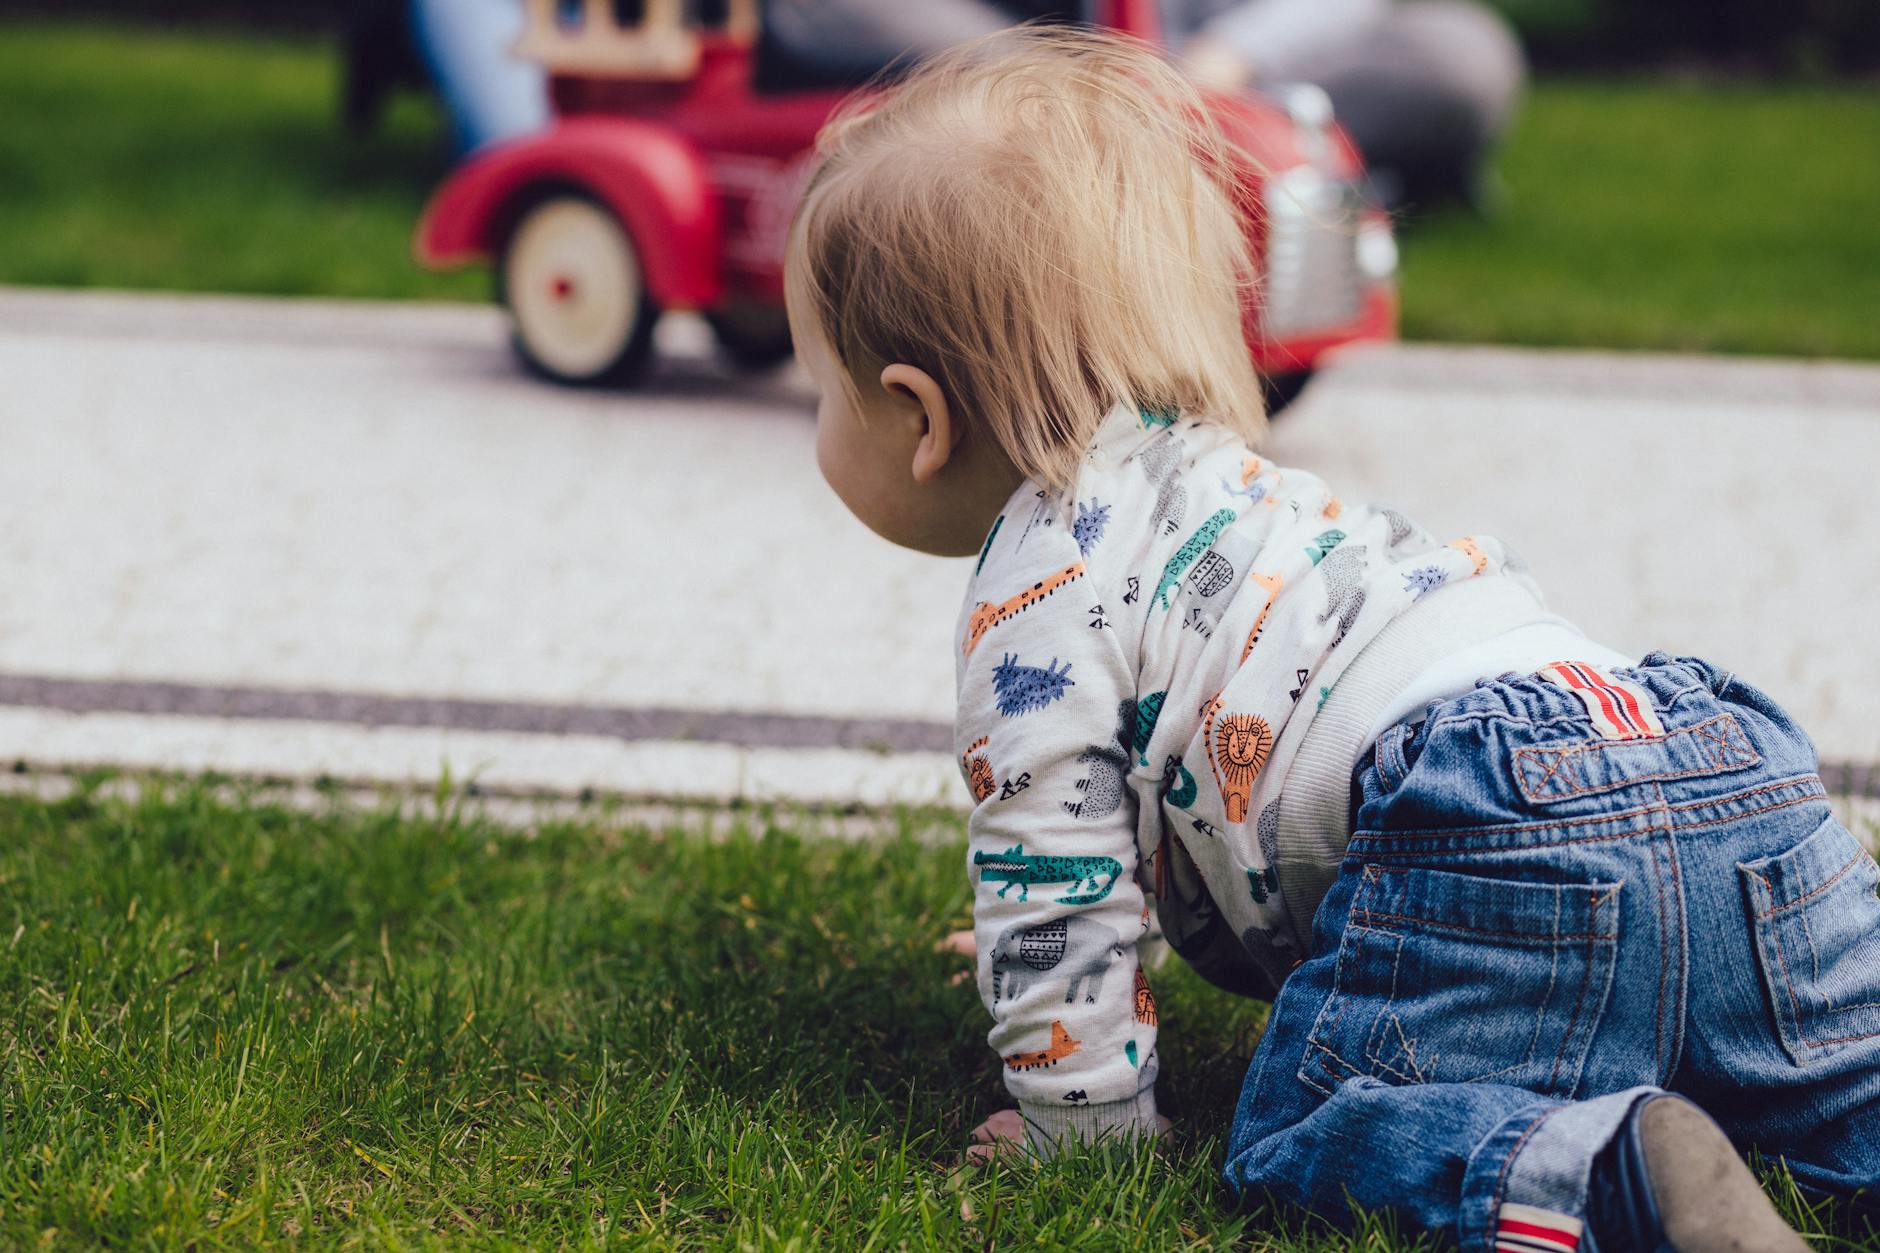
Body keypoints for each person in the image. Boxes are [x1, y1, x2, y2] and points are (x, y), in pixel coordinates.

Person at [781, 27, 1876, 1252]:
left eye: (818, 383)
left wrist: (1071, 1116)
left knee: (1311, 1123)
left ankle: (1600, 1173)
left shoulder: (1034, 584)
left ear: (917, 416)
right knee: (1835, 1086)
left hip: (1486, 814)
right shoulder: (1241, 496)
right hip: (1717, 754)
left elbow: (1052, 875)